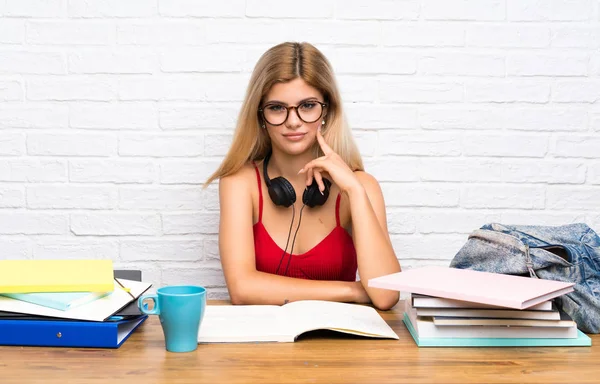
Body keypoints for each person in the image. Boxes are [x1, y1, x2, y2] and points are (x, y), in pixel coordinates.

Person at [204, 42, 401, 310]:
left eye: (307, 105)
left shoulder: (361, 187)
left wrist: (354, 191)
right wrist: (354, 291)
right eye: (276, 108)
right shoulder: (239, 183)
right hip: (261, 347)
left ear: (326, 111)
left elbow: (386, 295)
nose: (293, 121)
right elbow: (242, 289)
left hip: (340, 345)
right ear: (260, 115)